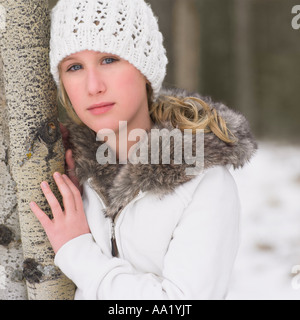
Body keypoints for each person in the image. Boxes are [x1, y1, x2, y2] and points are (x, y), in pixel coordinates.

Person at [30, 0, 257, 300]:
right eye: (74, 67)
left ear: (144, 68)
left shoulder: (204, 182)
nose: (93, 86)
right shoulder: (68, 174)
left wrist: (78, 253)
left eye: (109, 59)